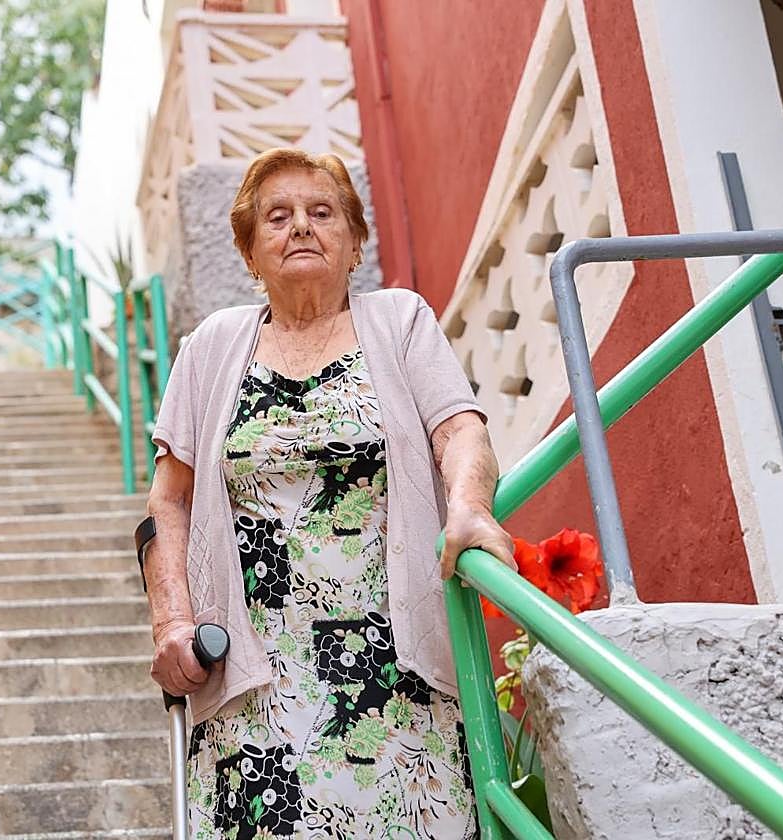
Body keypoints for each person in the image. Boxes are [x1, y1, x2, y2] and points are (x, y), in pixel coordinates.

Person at [143, 147, 516, 838]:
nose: (302, 228)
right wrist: (172, 623)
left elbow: (459, 430)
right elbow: (168, 501)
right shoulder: (211, 347)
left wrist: (468, 504)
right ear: (250, 254)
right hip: (253, 685)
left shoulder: (400, 322)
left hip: (393, 671)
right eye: (277, 218)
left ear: (354, 242)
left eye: (322, 212)